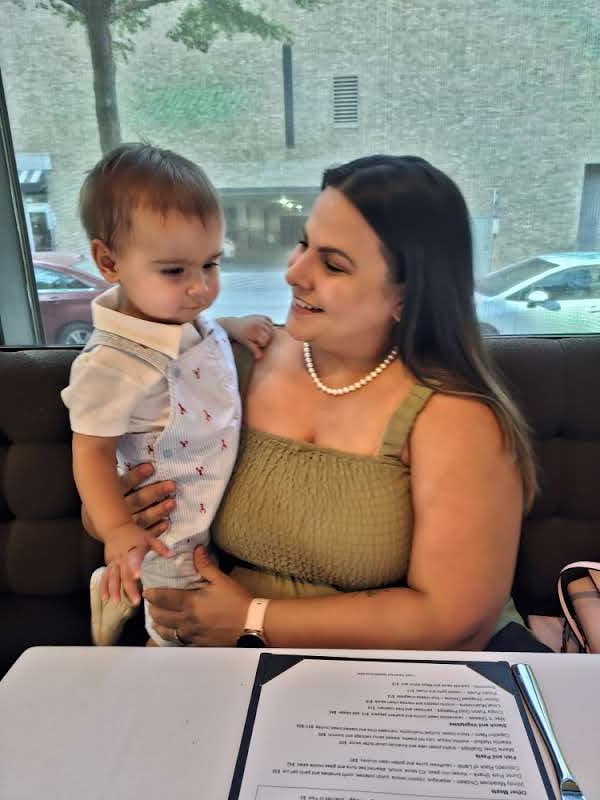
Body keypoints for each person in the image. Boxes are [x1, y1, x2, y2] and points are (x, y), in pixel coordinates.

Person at [86, 154, 548, 652]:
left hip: (402, 670)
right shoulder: (233, 361)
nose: (294, 272)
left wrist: (251, 619)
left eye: (333, 264)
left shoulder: (453, 414)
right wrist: (122, 513)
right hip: (229, 656)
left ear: (406, 295)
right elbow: (116, 489)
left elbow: (453, 618)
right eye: (304, 243)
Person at [62, 143, 272, 646]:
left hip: (207, 490)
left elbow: (197, 339)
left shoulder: (178, 314)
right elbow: (90, 450)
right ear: (108, 261)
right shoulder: (110, 363)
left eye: (212, 264)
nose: (200, 288)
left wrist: (232, 326)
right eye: (175, 271)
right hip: (167, 515)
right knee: (180, 616)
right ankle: (146, 638)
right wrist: (118, 530)